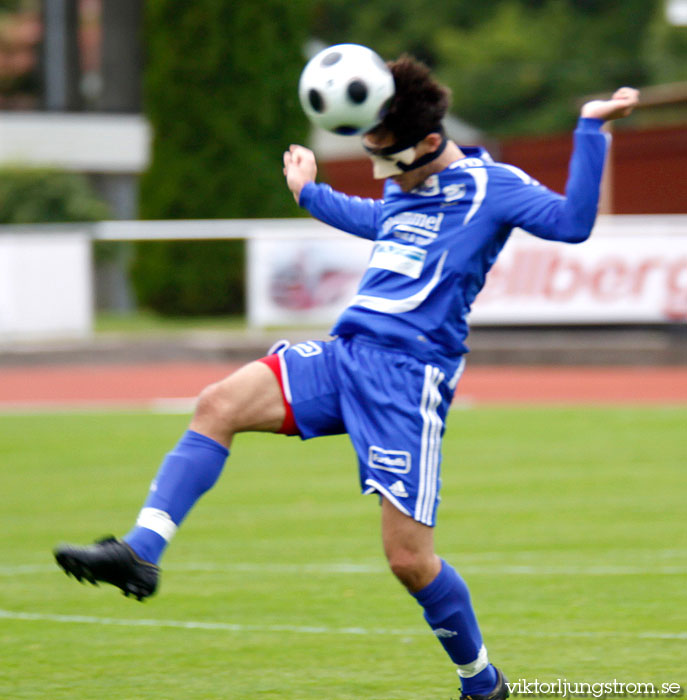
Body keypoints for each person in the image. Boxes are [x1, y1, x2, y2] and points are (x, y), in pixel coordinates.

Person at [54, 54, 639, 698]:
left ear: (432, 144)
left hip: (405, 379)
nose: (381, 174)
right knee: (218, 403)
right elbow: (376, 219)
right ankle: (141, 552)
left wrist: (590, 127)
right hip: (344, 355)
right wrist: (308, 193)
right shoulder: (403, 186)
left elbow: (574, 224)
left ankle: (482, 682)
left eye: (388, 162)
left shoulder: (492, 188)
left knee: (408, 561)